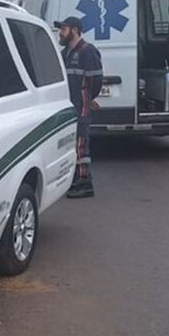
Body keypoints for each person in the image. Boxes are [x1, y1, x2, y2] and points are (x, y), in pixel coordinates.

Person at [54, 16, 102, 199]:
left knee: (81, 144)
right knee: (71, 143)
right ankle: (74, 177)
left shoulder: (87, 51)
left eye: (64, 29)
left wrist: (89, 98)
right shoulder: (65, 53)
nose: (60, 33)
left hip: (80, 104)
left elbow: (96, 80)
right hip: (68, 105)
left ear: (74, 30)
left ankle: (84, 182)